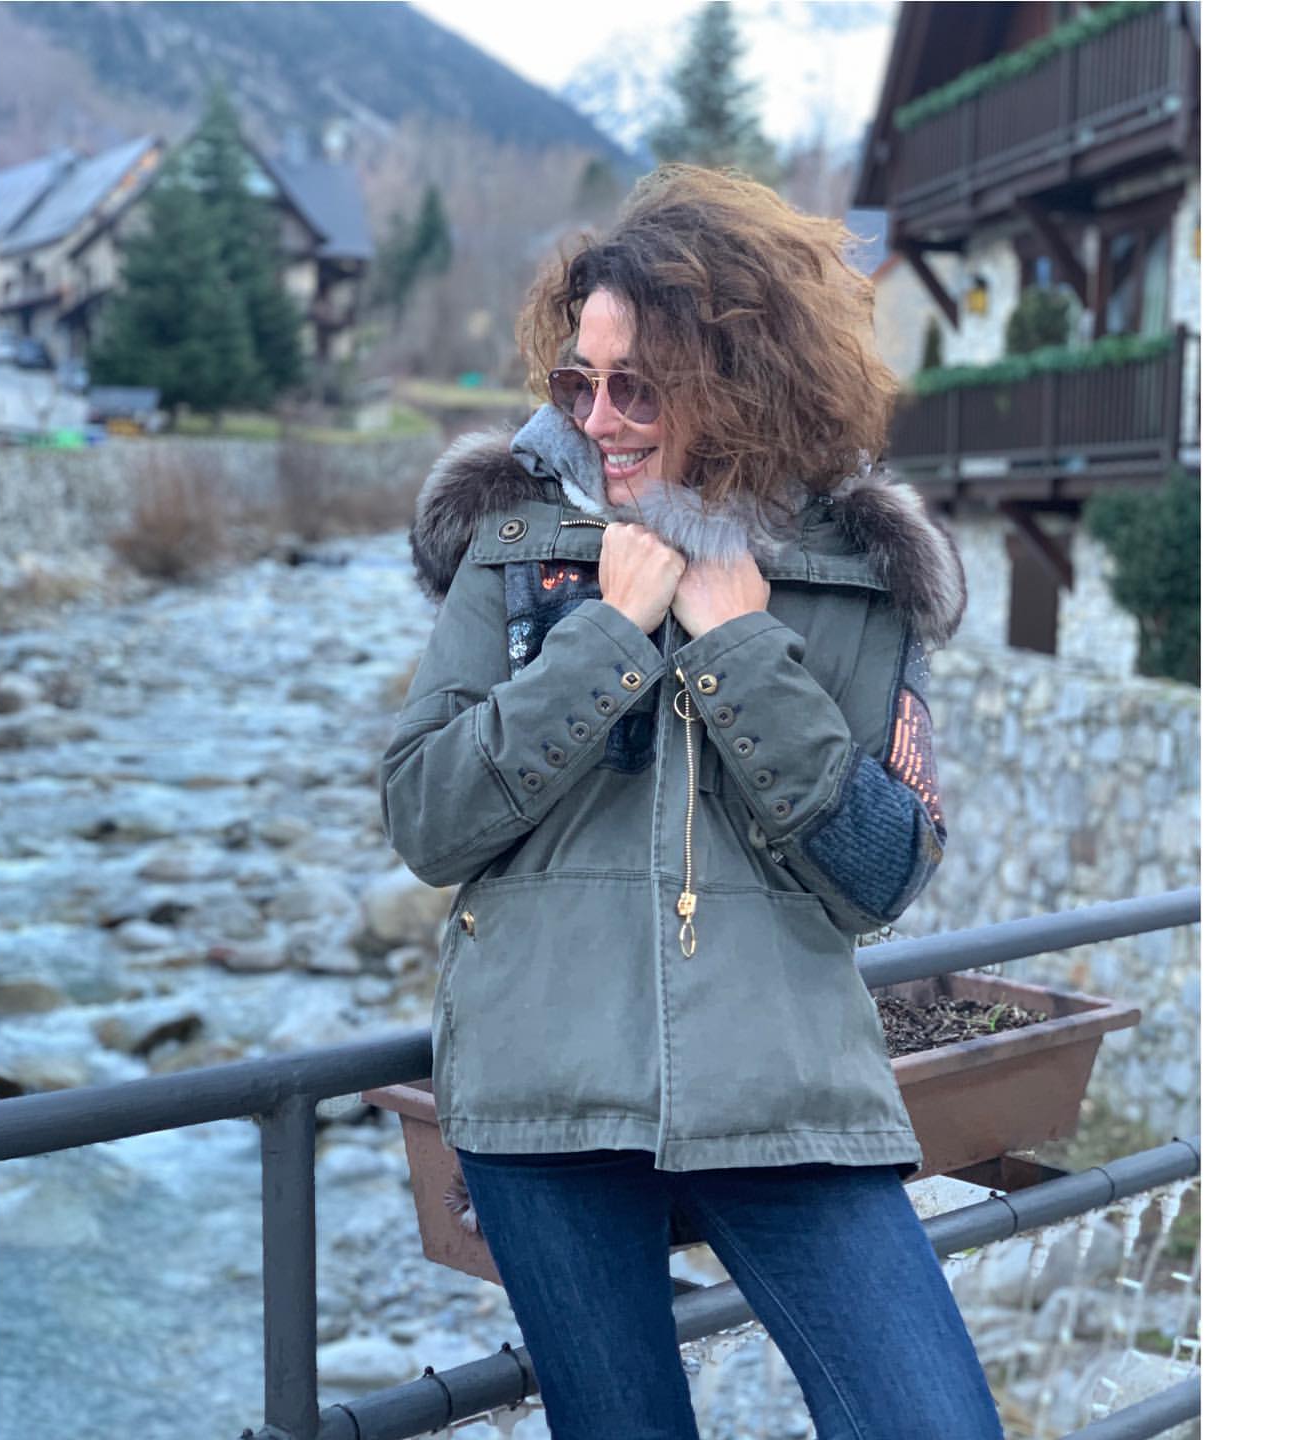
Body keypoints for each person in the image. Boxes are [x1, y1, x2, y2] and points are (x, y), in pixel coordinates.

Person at [380, 165, 1003, 1439]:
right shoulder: (512, 547)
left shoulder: (858, 577)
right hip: (545, 1094)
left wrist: (740, 649)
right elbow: (427, 821)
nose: (600, 420)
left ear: (742, 380)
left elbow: (883, 872)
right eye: (580, 384)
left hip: (788, 1092)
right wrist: (609, 633)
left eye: (638, 388)